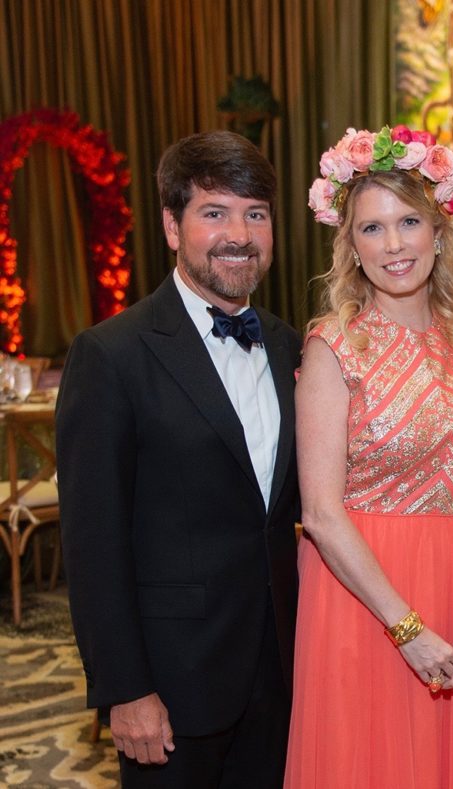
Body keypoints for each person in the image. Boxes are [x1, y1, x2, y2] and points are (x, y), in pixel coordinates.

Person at [56, 130, 301, 787]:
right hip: (172, 684)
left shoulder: (289, 346)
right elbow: (92, 543)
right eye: (215, 213)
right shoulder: (111, 354)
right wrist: (125, 688)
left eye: (255, 214)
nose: (239, 235)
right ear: (172, 226)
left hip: (280, 672)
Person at [284, 125, 453, 788]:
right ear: (350, 247)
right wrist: (405, 627)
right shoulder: (333, 345)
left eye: (408, 221)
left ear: (438, 231)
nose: (394, 245)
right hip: (363, 601)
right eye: (372, 229)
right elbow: (321, 513)